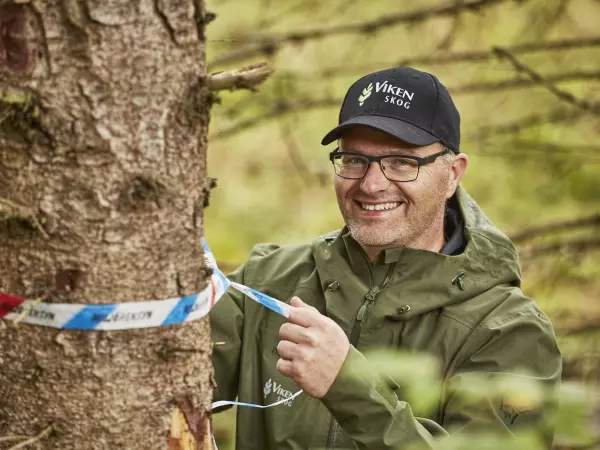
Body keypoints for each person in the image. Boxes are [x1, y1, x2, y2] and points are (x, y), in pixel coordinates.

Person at [210, 67, 562, 450]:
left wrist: (349, 386)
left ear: (453, 173)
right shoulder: (270, 278)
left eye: (401, 162)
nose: (371, 184)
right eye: (353, 159)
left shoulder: (508, 331)